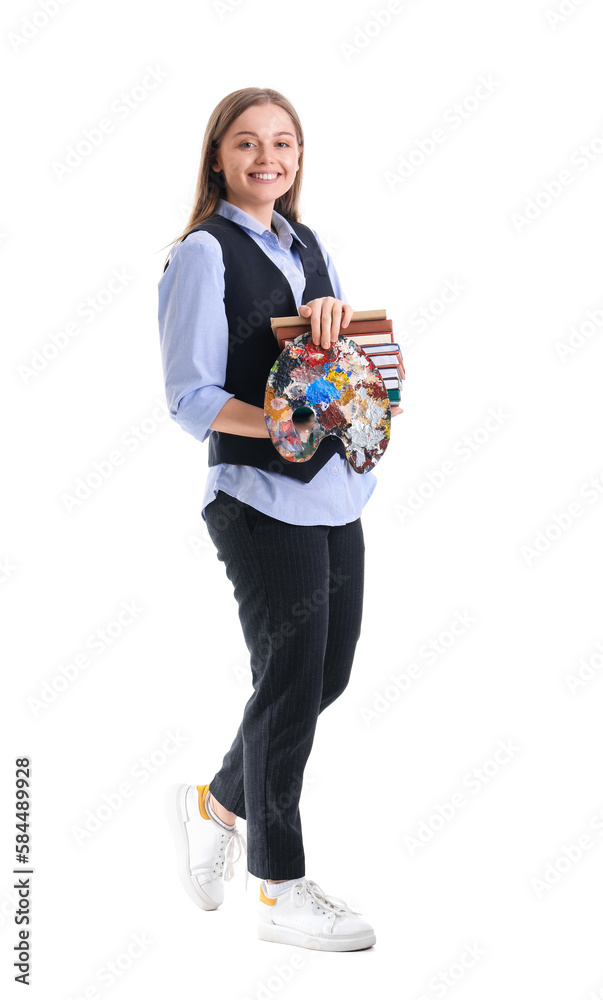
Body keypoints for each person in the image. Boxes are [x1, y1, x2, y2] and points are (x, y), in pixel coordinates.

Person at [158, 86, 403, 952]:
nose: (268, 158)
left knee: (322, 676)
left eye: (284, 144)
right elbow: (190, 398)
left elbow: (330, 369)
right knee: (292, 682)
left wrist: (335, 327)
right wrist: (283, 427)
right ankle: (280, 886)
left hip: (335, 496)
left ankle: (217, 801)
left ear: (298, 159)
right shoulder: (202, 253)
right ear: (218, 157)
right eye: (248, 144)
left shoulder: (311, 244)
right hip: (259, 502)